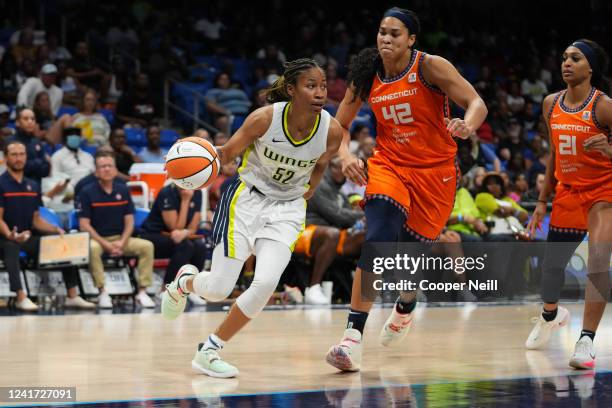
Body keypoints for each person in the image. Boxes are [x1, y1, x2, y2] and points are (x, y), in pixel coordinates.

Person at [325, 7, 487, 372]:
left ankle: (406, 303)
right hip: (390, 167)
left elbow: (476, 102)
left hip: (436, 173)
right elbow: (340, 127)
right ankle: (351, 338)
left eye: (395, 33)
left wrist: (468, 125)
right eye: (382, 32)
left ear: (411, 39)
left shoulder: (430, 67)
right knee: (379, 238)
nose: (386, 39)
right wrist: (344, 155)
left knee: (408, 259)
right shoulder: (367, 75)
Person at [161, 58, 343, 377]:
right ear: (291, 90)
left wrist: (309, 191)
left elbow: (321, 164)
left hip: (288, 208)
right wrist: (189, 158)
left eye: (323, 86)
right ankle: (183, 283)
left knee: (265, 283)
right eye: (311, 86)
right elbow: (227, 154)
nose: (319, 93)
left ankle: (210, 349)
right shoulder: (264, 119)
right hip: (246, 200)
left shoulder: (332, 130)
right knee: (218, 288)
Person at [524, 39, 612, 370]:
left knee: (598, 261)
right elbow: (554, 156)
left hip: (604, 192)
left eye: (575, 58)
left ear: (591, 68)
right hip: (567, 192)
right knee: (551, 269)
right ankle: (550, 314)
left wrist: (609, 151)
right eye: (564, 58)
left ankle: (586, 339)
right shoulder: (551, 104)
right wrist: (542, 201)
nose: (567, 63)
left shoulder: (604, 107)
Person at [0, 140, 94, 311]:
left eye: (22, 154)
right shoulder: (1, 183)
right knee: (11, 248)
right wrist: (10, 234)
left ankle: (72, 296)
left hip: (29, 236)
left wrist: (56, 229)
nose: (18, 158)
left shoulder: (33, 185)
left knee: (61, 241)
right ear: (6, 158)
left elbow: (36, 220)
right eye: (14, 154)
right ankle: (21, 297)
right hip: (5, 238)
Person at [76, 151, 155, 309]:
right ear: (96, 171)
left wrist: (122, 242)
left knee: (147, 246)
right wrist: (105, 244)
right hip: (97, 240)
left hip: (121, 238)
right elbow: (84, 224)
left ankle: (142, 292)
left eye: (110, 166)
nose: (106, 169)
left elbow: (129, 221)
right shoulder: (86, 192)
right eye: (102, 166)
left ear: (115, 169)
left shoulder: (123, 190)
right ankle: (102, 292)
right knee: (92, 249)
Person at [139, 183, 206, 304]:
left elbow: (193, 227)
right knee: (185, 246)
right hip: (153, 235)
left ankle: (191, 288)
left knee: (200, 246)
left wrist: (185, 233)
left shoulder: (198, 192)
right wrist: (186, 201)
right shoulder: (167, 192)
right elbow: (175, 226)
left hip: (179, 236)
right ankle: (165, 289)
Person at [6, 108, 50, 184]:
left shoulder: (37, 141)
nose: (30, 121)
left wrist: (29, 164)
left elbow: (46, 170)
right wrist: (38, 162)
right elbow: (16, 166)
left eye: (32, 119)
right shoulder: (10, 141)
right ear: (17, 122)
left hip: (36, 187)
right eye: (26, 119)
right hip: (15, 186)